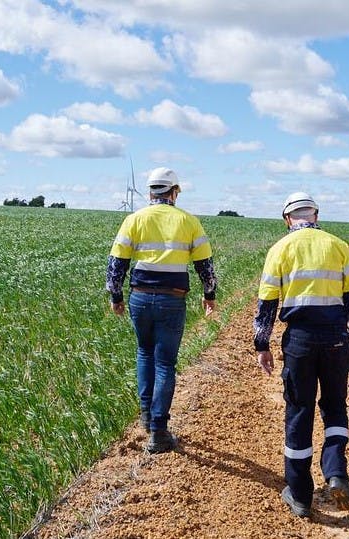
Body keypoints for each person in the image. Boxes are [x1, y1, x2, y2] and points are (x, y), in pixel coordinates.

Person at [253, 192, 349, 517]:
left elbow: (266, 305)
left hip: (299, 341)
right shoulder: (338, 246)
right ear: (315, 215)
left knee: (300, 412)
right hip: (335, 340)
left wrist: (262, 345)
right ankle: (335, 472)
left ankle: (300, 495)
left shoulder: (280, 249)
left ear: (287, 219)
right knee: (334, 408)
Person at [107, 167, 217, 454]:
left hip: (140, 298)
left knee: (144, 352)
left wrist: (116, 296)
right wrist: (209, 294)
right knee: (165, 363)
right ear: (174, 192)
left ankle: (146, 414)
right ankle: (158, 431)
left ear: (149, 193)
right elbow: (205, 266)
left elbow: (116, 264)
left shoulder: (134, 220)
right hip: (172, 299)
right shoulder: (188, 221)